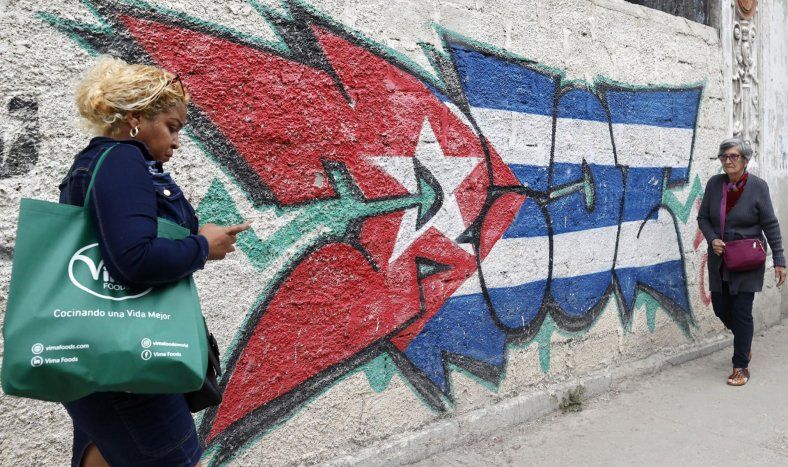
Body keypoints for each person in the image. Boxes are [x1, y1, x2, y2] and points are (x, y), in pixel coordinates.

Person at [58, 57, 249, 466]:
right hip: (132, 367)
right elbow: (135, 259)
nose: (177, 141)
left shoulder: (95, 164)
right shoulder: (122, 160)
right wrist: (202, 246)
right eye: (171, 126)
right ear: (135, 119)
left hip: (100, 356)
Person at [697, 137, 786, 387]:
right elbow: (703, 218)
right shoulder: (714, 184)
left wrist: (779, 259)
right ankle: (744, 343)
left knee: (741, 310)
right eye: (724, 156)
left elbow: (770, 224)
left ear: (745, 160)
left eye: (734, 156)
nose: (728, 161)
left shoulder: (758, 187)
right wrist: (712, 238)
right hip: (720, 259)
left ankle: (740, 365)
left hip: (747, 259)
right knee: (720, 308)